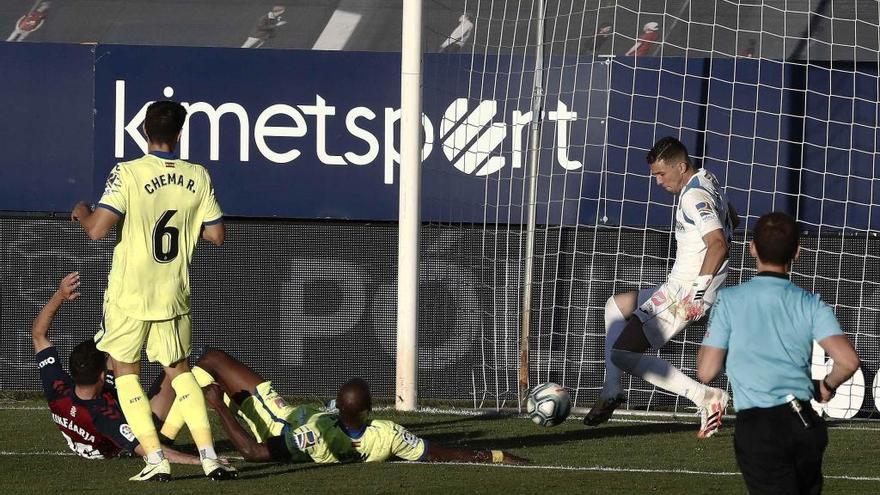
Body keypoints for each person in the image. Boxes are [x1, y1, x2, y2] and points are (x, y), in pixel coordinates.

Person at [70, 101, 233, 481]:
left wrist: (81, 211)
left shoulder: (128, 172)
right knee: (180, 372)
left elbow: (97, 230)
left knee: (126, 372)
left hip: (130, 293)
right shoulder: (199, 176)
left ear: (144, 131)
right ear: (179, 134)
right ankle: (209, 455)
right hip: (172, 291)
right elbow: (217, 235)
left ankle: (156, 459)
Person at [585, 136, 738, 438]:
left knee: (622, 354)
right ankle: (612, 389)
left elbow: (718, 244)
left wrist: (697, 291)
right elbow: (732, 216)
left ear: (681, 167)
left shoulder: (693, 197)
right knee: (615, 306)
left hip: (684, 293)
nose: (657, 181)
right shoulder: (707, 178)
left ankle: (705, 397)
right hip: (684, 285)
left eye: (661, 174)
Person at [698, 212, 860, 494]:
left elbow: (706, 371)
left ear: (752, 248)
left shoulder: (730, 301)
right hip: (804, 423)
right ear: (796, 252)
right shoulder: (810, 303)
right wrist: (825, 386)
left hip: (759, 427)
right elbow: (847, 361)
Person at [153, 348, 529, 466]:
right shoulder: (387, 436)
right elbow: (440, 453)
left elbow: (252, 452)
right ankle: (160, 434)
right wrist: (494, 454)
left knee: (210, 361)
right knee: (208, 363)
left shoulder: (312, 436)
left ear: (341, 409)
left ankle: (160, 436)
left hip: (278, 421)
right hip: (294, 421)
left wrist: (219, 407)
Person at [32, 272, 204, 467]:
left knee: (119, 349)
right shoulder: (104, 417)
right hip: (112, 443)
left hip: (86, 427)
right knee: (175, 369)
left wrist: (59, 296)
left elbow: (38, 335)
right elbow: (149, 450)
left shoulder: (58, 388)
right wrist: (200, 460)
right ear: (102, 375)